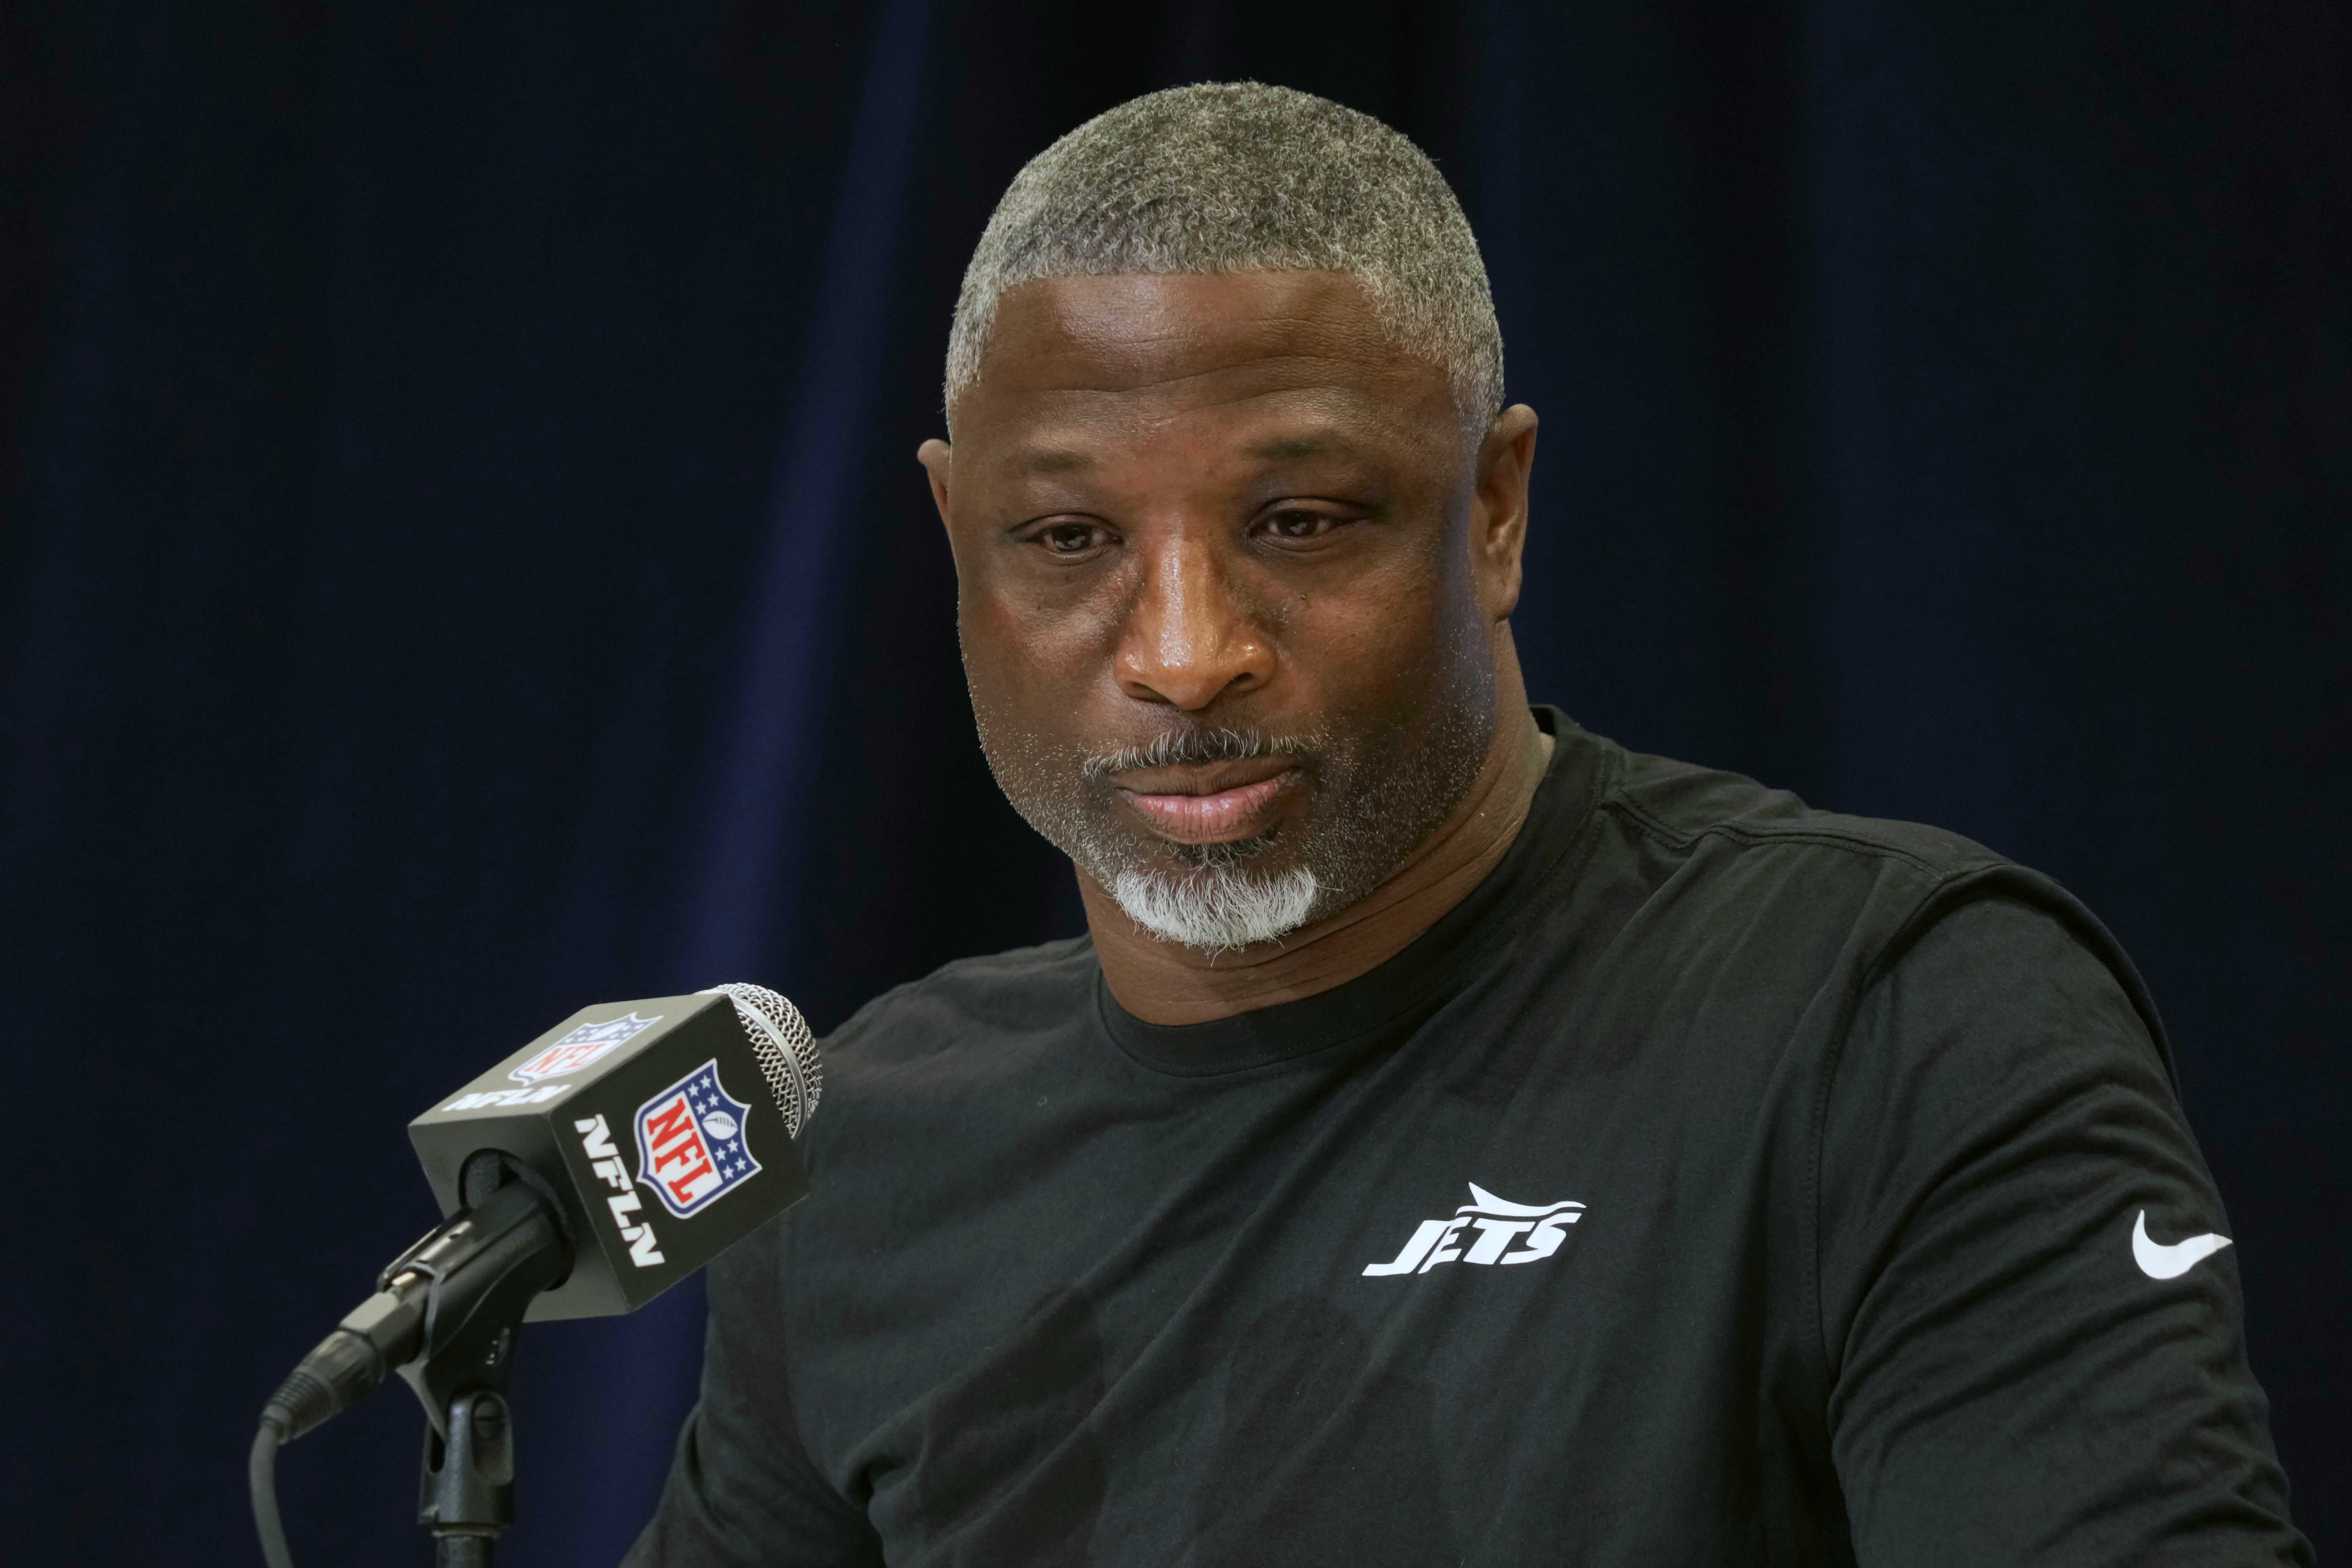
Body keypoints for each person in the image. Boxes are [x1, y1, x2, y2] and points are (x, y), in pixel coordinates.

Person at [625, 83, 2309, 1566]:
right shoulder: (864, 1158)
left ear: (1492, 511)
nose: (1183, 650)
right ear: (950, 531)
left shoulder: (1892, 1019)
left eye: (1297, 520)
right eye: (1067, 538)